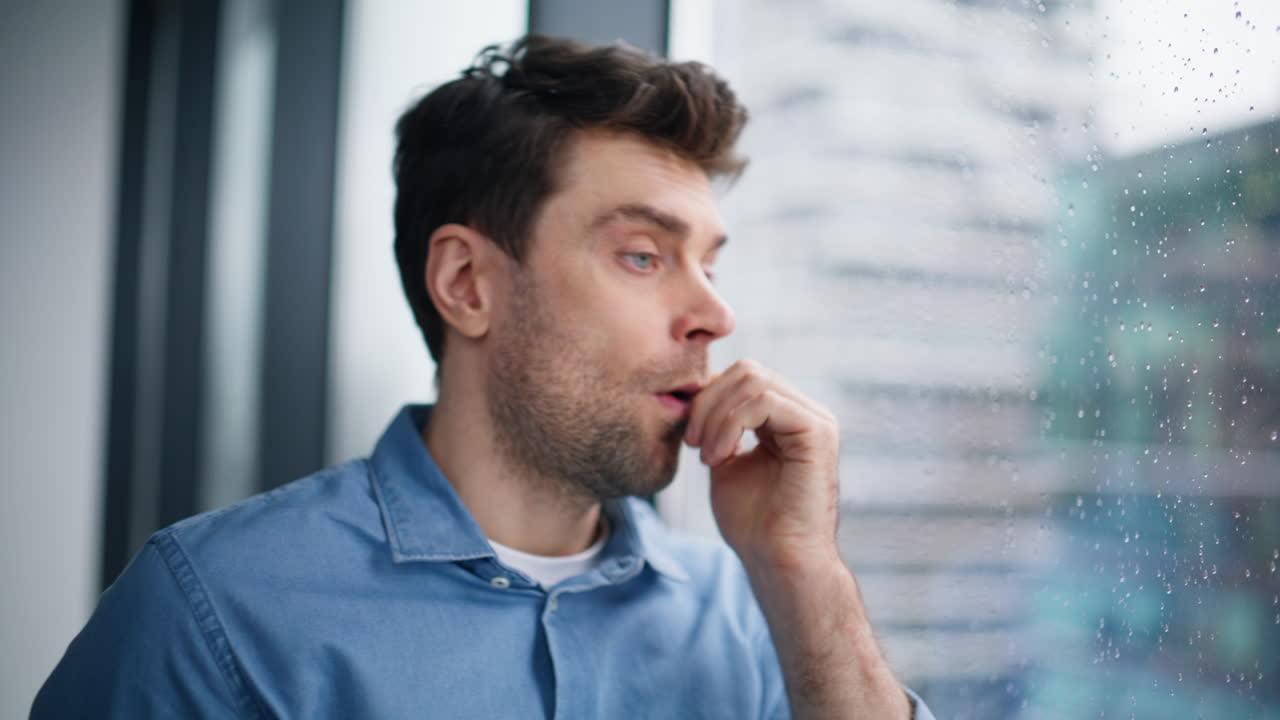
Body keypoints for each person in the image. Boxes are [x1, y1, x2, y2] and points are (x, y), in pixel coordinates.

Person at [33, 35, 935, 719]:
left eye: (709, 263)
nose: (715, 315)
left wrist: (804, 569)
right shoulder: (213, 609)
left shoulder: (752, 618)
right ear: (467, 284)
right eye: (641, 256)